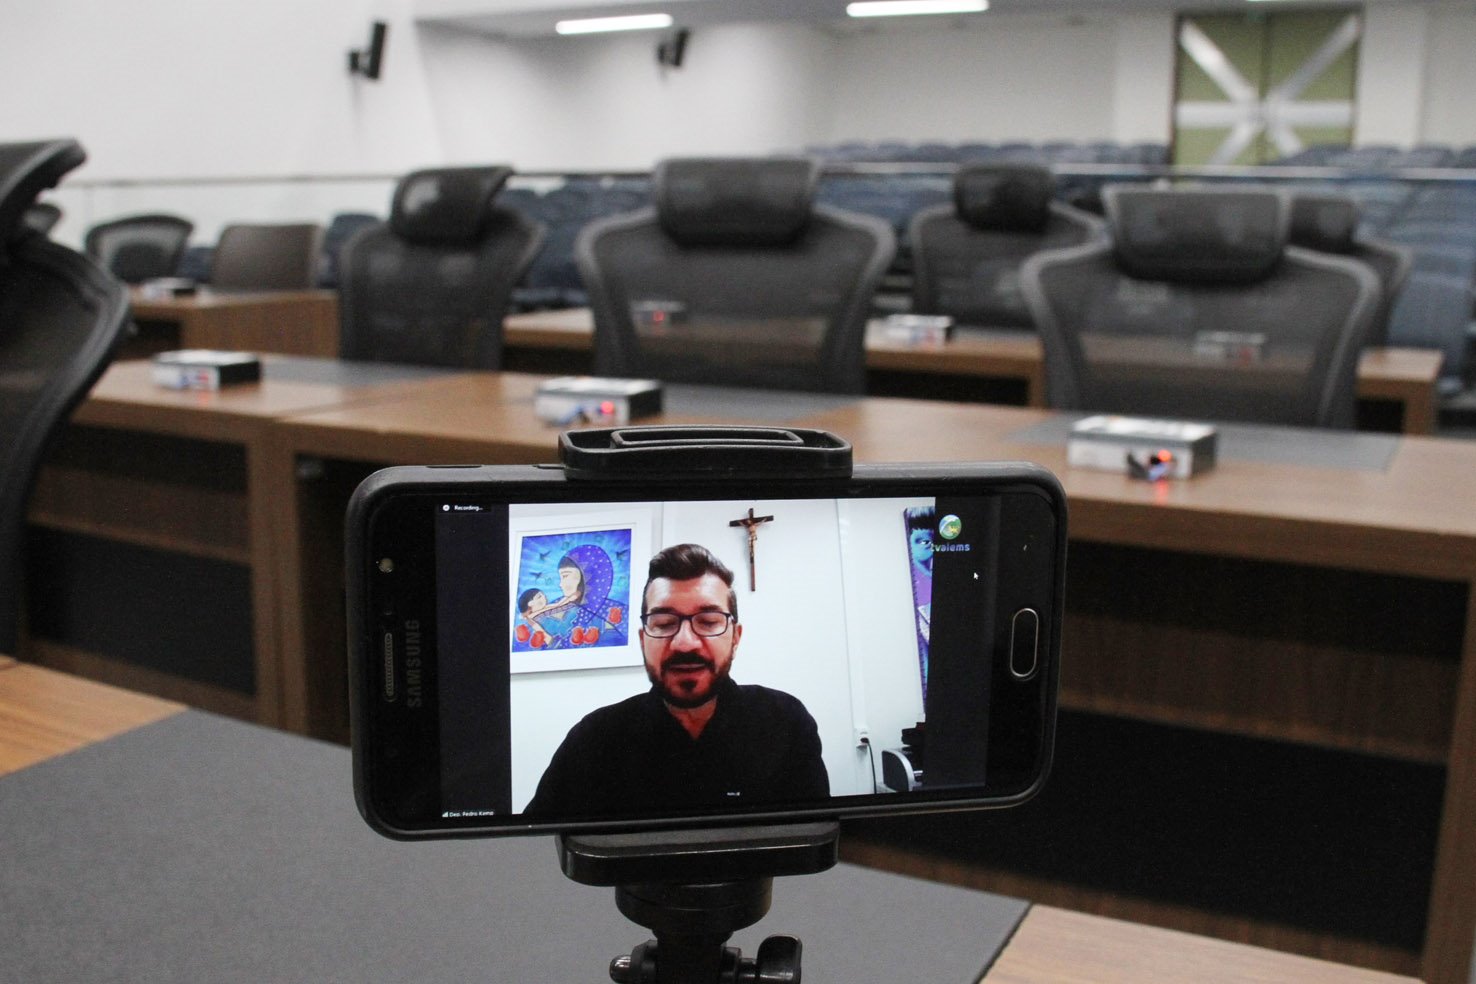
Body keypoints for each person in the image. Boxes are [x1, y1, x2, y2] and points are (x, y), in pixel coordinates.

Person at [526, 543, 829, 818]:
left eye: (708, 621)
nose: (685, 643)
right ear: (643, 640)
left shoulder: (786, 722)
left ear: (735, 638)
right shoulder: (593, 739)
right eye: (664, 623)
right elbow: (535, 847)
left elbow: (816, 842)